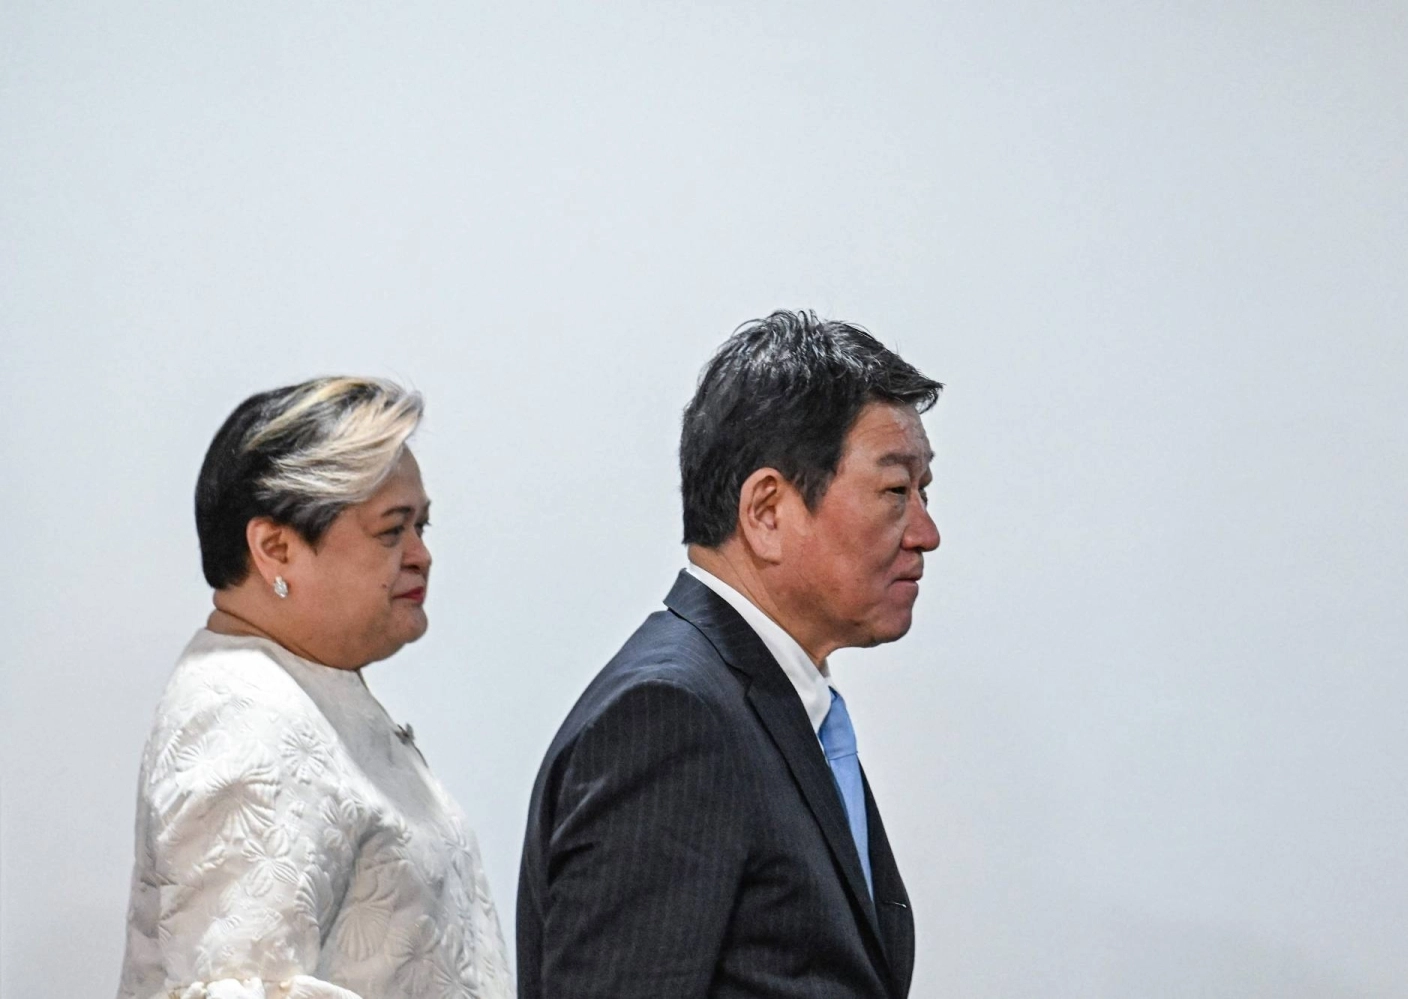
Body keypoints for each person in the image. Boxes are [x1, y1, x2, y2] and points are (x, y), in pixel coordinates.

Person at [517, 310, 942, 999]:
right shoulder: (670, 718)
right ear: (767, 510)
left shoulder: (772, 705)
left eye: (926, 492)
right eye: (895, 490)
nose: (926, 531)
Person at [116, 377, 514, 999]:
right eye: (392, 531)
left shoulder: (297, 688)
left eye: (422, 528)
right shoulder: (244, 716)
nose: (421, 556)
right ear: (276, 548)